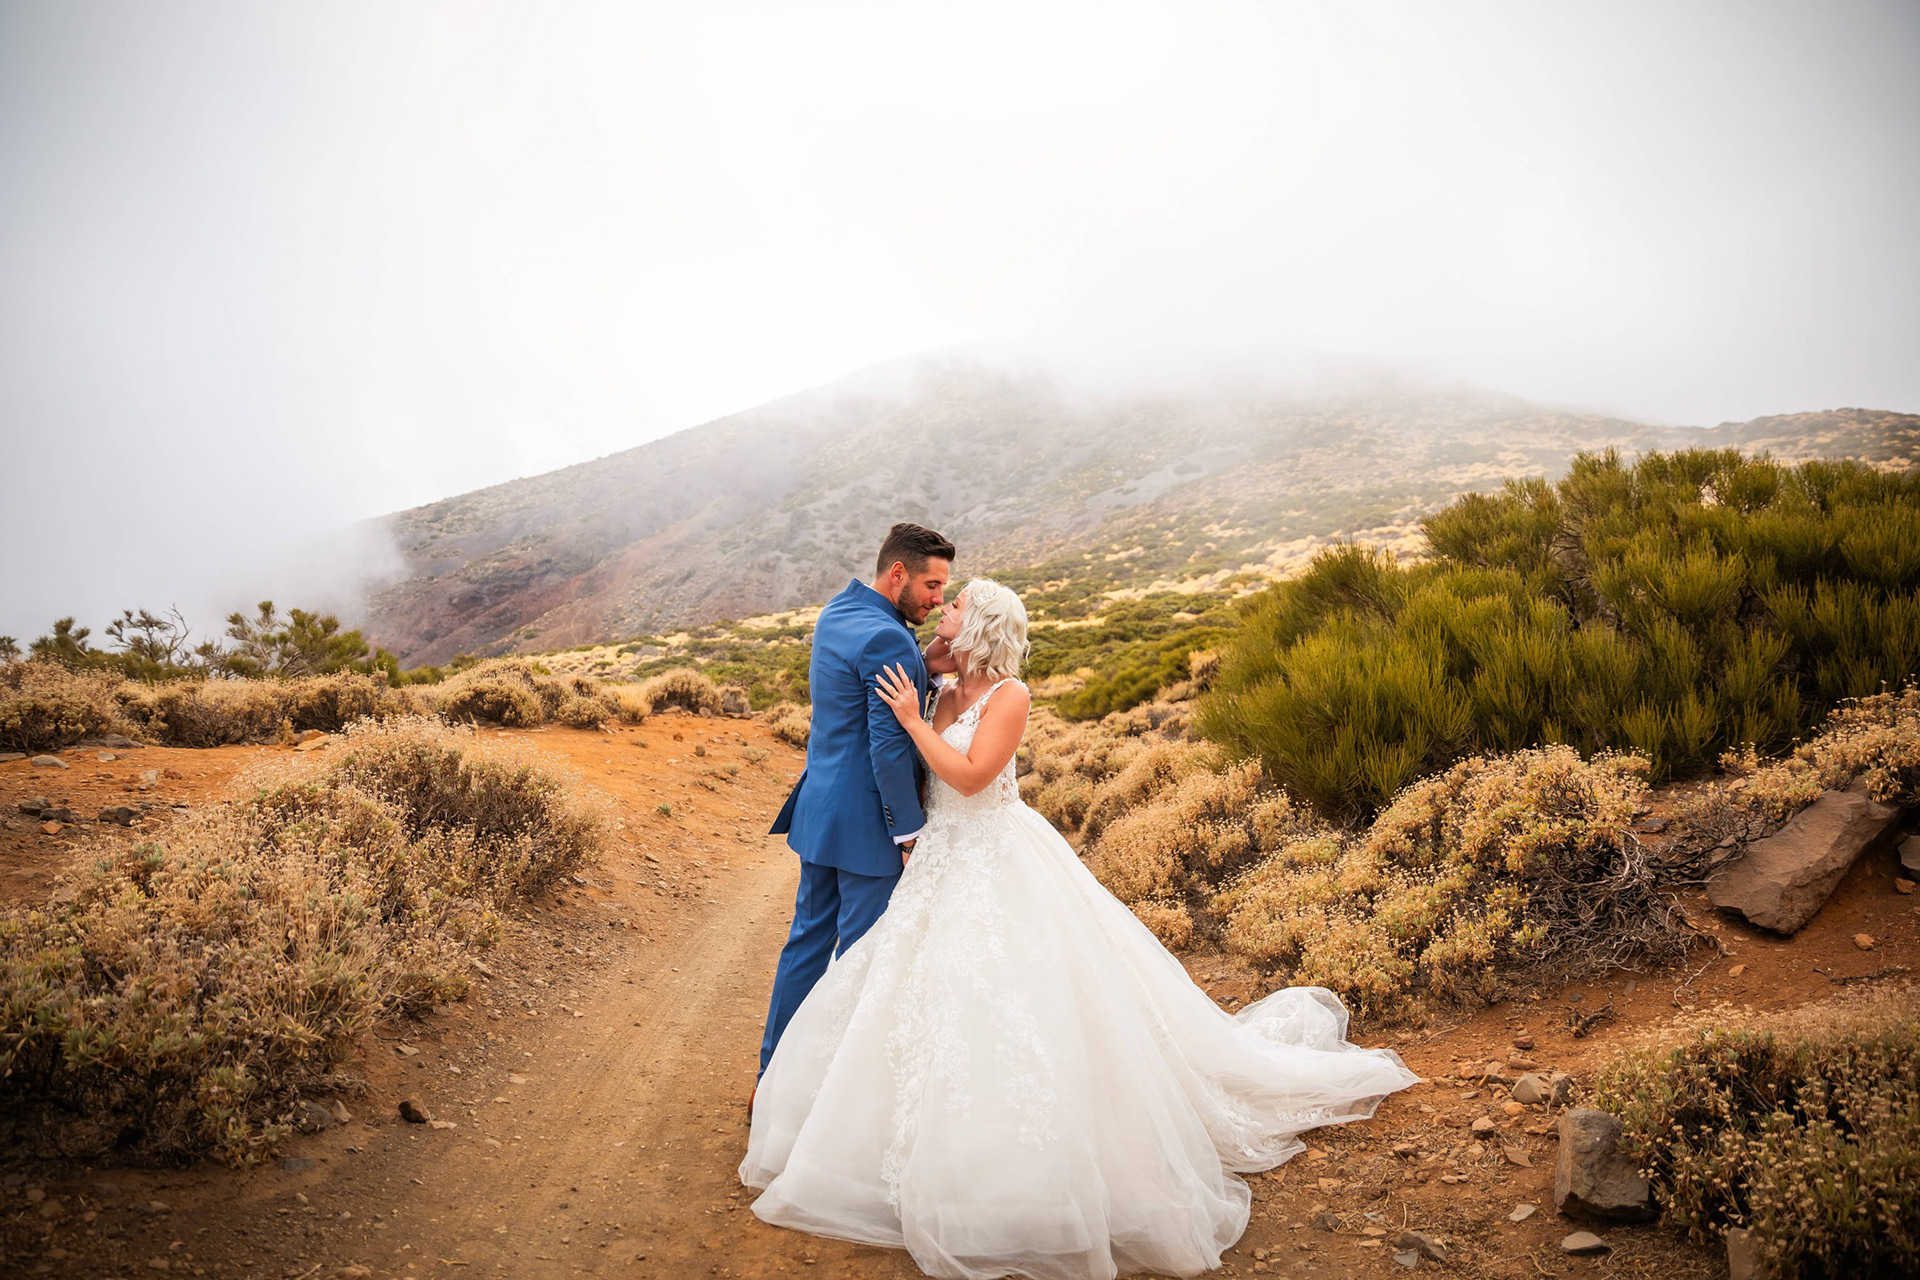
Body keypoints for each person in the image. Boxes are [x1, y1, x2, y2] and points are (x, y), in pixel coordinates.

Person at [742, 578, 1420, 1280]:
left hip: (995, 852)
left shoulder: (1010, 696)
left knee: (1016, 997)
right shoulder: (942, 688)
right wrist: (922, 715)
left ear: (982, 623)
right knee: (917, 993)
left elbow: (971, 779)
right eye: (943, 597)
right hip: (942, 855)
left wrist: (914, 724)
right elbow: (920, 736)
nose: (944, 608)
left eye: (956, 604)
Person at [757, 522, 956, 1085]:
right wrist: (908, 832)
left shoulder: (837, 613)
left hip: (821, 809)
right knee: (861, 960)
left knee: (805, 945)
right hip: (868, 826)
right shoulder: (889, 639)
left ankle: (771, 1080)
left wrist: (923, 663)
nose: (937, 599)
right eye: (932, 586)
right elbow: (888, 749)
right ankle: (829, 1094)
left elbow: (859, 685)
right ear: (898, 573)